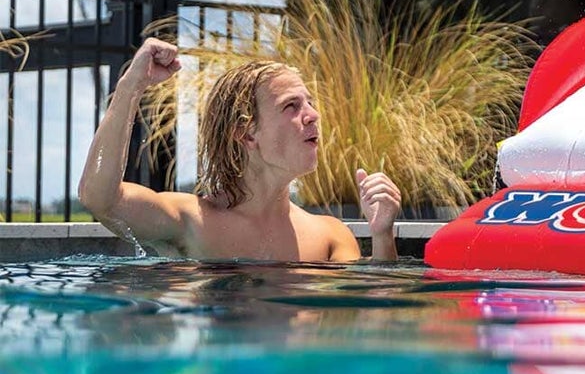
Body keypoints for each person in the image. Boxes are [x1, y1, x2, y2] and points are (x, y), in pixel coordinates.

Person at [78, 38, 403, 261]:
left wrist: (382, 235)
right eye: (291, 105)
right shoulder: (190, 221)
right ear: (246, 134)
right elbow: (100, 199)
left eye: (310, 103)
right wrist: (130, 87)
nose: (313, 115)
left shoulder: (330, 236)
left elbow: (370, 319)